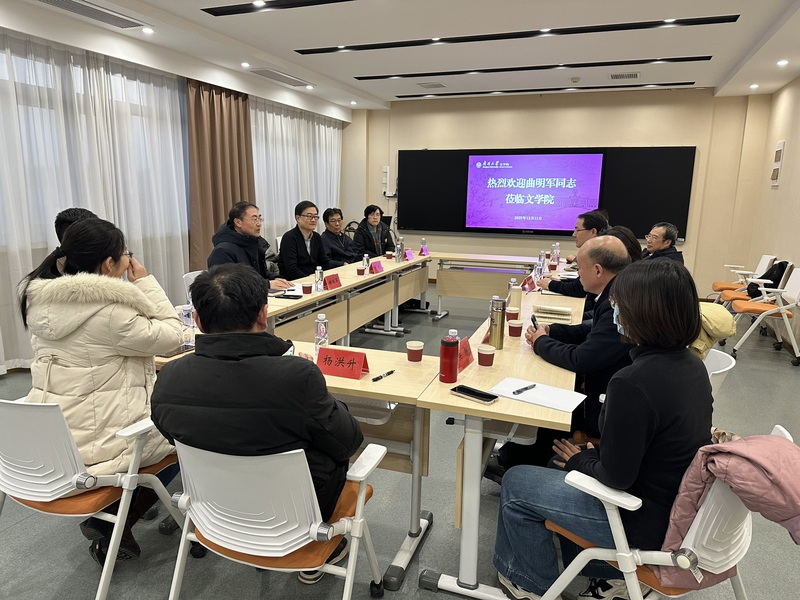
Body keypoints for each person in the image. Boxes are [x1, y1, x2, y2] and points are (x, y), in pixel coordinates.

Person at [493, 259, 713, 600]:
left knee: (517, 481)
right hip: (674, 508)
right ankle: (602, 572)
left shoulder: (632, 381)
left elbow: (616, 478)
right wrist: (593, 455)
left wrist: (583, 460)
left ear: (643, 313)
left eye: (619, 306)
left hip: (638, 520)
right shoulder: (692, 365)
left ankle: (531, 583)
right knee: (555, 463)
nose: (615, 313)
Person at [151, 263, 363, 583]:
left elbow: (172, 435)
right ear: (264, 315)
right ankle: (316, 555)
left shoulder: (169, 377)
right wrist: (318, 392)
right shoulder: (297, 377)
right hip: (297, 519)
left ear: (197, 320)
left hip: (213, 512)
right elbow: (348, 442)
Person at [19, 217, 183, 564]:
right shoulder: (111, 313)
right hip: (102, 445)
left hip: (54, 444)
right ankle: (115, 522)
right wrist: (146, 283)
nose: (130, 260)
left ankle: (119, 516)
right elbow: (172, 335)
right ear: (109, 264)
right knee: (182, 438)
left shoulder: (40, 303)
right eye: (126, 254)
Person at [496, 236, 635, 473]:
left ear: (598, 270)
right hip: (605, 388)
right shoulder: (617, 292)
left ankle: (519, 463)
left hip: (604, 404)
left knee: (551, 398)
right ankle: (514, 456)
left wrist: (541, 343)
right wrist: (553, 331)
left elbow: (582, 359)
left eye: (580, 268)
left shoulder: (618, 304)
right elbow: (593, 332)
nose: (578, 274)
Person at [208, 202, 292, 289]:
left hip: (259, 293)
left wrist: (275, 278)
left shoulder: (253, 243)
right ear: (238, 222)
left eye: (260, 219)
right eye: (254, 219)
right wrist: (267, 284)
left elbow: (260, 274)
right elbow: (227, 285)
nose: (259, 224)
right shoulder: (222, 251)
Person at [539, 210, 608, 314]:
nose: (573, 234)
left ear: (593, 232)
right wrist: (560, 282)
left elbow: (578, 289)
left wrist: (550, 284)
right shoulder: (598, 249)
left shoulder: (598, 253)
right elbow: (580, 284)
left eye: (577, 230)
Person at [278, 201, 338, 279]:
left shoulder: (316, 237)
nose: (313, 220)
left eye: (315, 216)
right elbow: (292, 269)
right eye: (309, 216)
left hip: (314, 279)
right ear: (298, 218)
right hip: (294, 281)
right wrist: (309, 281)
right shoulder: (289, 238)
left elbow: (324, 261)